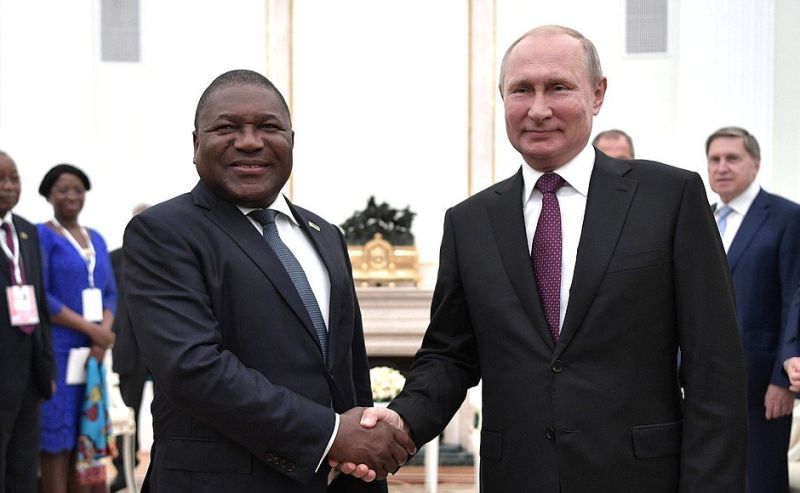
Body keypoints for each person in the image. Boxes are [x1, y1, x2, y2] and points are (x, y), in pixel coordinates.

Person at [347, 25, 747, 492]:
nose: (538, 109)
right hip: (517, 477)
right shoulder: (469, 222)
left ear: (597, 94)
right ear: (503, 98)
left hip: (642, 478)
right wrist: (402, 420)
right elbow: (450, 355)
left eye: (558, 87)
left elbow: (715, 367)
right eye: (521, 90)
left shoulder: (670, 198)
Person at [121, 69, 414, 492]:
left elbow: (349, 374)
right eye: (227, 128)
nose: (249, 141)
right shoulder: (163, 231)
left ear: (291, 140)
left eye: (268, 127)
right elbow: (193, 368)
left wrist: (366, 455)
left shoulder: (326, 235)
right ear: (195, 143)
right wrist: (331, 434)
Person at [705, 126, 800, 493]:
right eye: (715, 159)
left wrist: (782, 380)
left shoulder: (786, 217)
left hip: (761, 385)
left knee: (760, 481)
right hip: (704, 383)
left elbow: (795, 297)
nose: (722, 167)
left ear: (756, 164)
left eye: (732, 158)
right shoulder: (701, 218)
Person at [37, 164, 117, 493]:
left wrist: (103, 334)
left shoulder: (96, 238)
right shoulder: (41, 235)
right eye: (63, 190)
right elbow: (43, 295)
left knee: (88, 431)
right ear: (48, 196)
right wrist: (92, 329)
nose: (71, 196)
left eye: (78, 190)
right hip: (58, 350)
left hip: (93, 353)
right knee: (57, 435)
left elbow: (111, 292)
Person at [0, 151, 55, 492]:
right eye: (0, 179)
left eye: (14, 178)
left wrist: (46, 367)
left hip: (28, 375)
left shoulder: (25, 231)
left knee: (23, 466)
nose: (8, 187)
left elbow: (39, 303)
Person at [108, 203, 149, 493]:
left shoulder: (172, 255)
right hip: (129, 349)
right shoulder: (114, 259)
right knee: (127, 411)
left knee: (172, 413)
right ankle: (124, 468)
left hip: (168, 351)